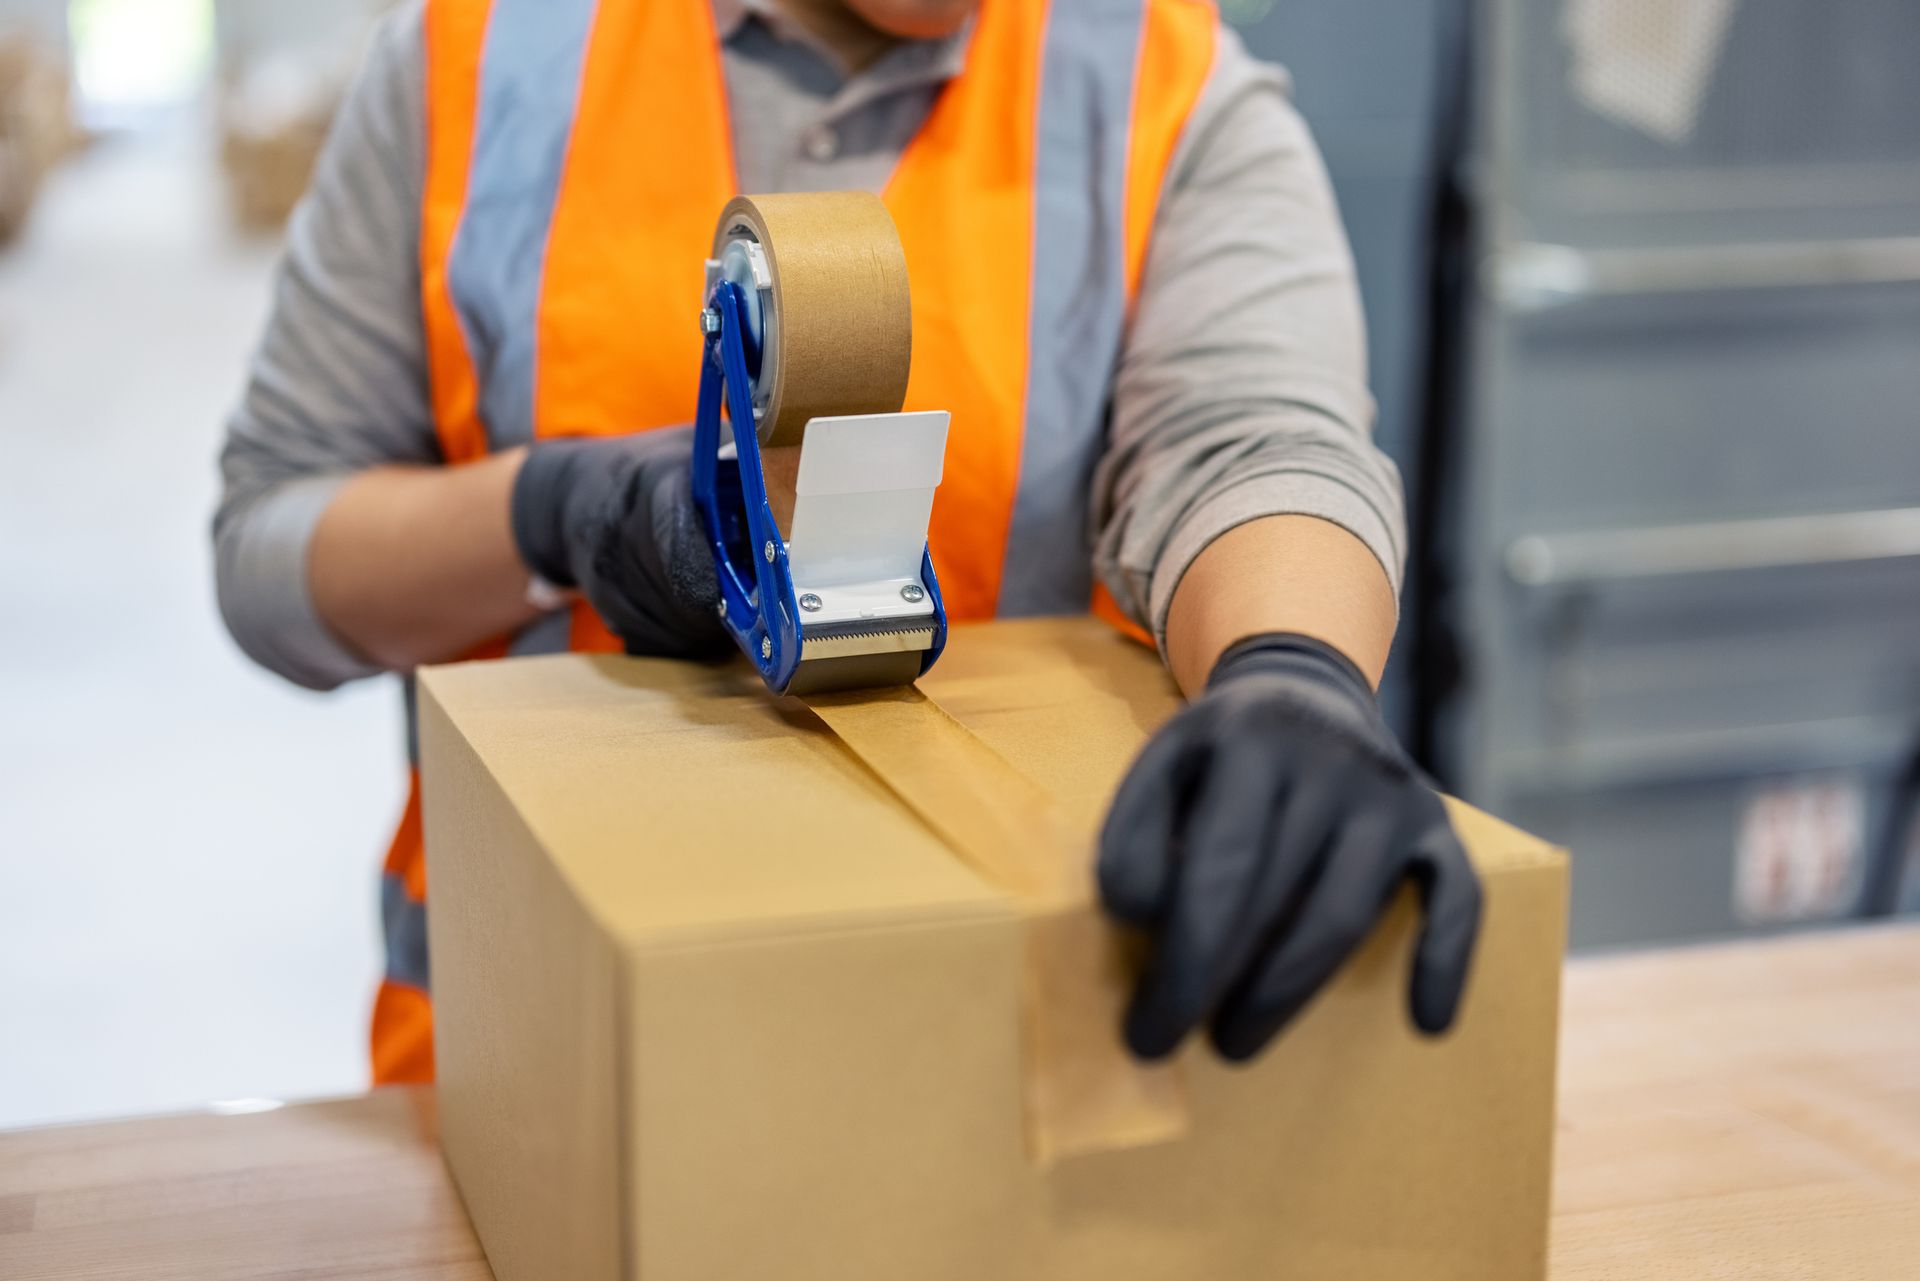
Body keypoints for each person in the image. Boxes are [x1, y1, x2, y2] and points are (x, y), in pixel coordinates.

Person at [214, 0, 1480, 1085]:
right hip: (529, 1064)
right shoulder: (480, 57)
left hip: (974, 1052)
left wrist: (1293, 671)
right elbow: (273, 555)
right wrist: (553, 512)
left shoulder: (1156, 79)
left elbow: (1254, 438)